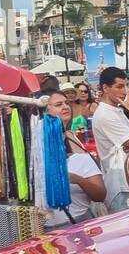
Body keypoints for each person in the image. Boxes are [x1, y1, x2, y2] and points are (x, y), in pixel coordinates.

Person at [44, 90, 106, 228]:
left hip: (80, 223)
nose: (66, 107)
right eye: (59, 104)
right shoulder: (36, 155)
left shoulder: (75, 145)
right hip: (46, 228)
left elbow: (100, 195)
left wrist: (78, 180)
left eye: (67, 103)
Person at [91, 67, 129, 213]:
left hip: (127, 182)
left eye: (126, 86)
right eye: (119, 86)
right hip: (120, 185)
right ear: (105, 88)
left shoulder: (116, 110)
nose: (124, 91)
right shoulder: (105, 114)